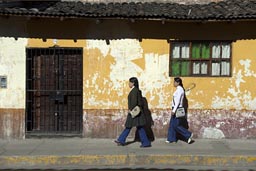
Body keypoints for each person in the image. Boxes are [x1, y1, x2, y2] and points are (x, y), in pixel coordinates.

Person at [114, 77, 151, 148]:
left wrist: (130, 109)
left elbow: (134, 102)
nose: (129, 84)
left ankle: (121, 140)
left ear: (133, 83)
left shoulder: (134, 91)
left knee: (129, 126)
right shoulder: (137, 90)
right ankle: (145, 142)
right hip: (137, 112)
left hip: (134, 112)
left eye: (130, 82)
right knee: (139, 127)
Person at [166, 77, 193, 144]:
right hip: (175, 108)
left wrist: (174, 110)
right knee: (172, 124)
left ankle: (188, 134)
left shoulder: (180, 90)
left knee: (176, 125)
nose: (174, 83)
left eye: (175, 82)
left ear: (178, 83)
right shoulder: (179, 89)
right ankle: (171, 139)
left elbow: (177, 101)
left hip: (177, 109)